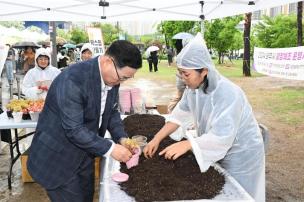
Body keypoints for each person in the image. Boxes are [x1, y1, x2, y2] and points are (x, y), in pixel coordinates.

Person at [143, 33, 265, 202]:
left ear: (204, 71)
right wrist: (157, 138)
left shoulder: (229, 94)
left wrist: (188, 144)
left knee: (238, 194)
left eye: (187, 74)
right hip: (216, 146)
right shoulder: (192, 89)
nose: (184, 79)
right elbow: (178, 117)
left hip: (241, 152)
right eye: (181, 74)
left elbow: (222, 137)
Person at [27, 40, 142, 202]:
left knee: (86, 196)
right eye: (122, 77)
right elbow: (74, 129)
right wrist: (111, 148)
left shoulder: (111, 79)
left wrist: (121, 138)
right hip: (58, 159)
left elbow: (111, 111)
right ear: (109, 61)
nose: (121, 82)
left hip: (84, 154)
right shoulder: (72, 80)